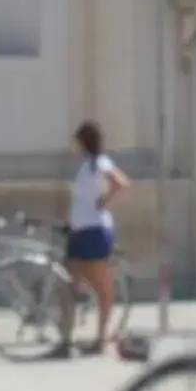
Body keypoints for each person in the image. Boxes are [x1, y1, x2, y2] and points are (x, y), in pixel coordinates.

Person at [62, 120, 133, 358]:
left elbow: (121, 182)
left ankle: (101, 339)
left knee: (102, 287)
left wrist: (105, 199)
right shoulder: (86, 166)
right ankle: (67, 338)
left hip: (93, 230)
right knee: (71, 283)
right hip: (81, 229)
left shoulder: (99, 162)